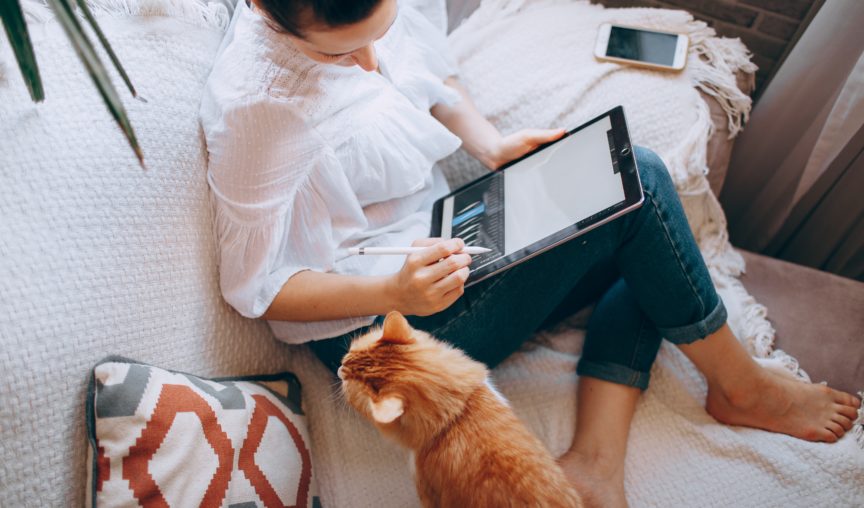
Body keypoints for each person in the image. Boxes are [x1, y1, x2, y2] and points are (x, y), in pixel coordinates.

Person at [199, 0, 861, 506]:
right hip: (381, 331)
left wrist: (490, 145)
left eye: (381, 32)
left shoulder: (365, 17)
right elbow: (254, 287)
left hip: (444, 241)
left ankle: (596, 464)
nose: (374, 62)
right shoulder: (258, 109)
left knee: (643, 221)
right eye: (346, 56)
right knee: (646, 186)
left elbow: (431, 79)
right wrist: (391, 293)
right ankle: (740, 385)